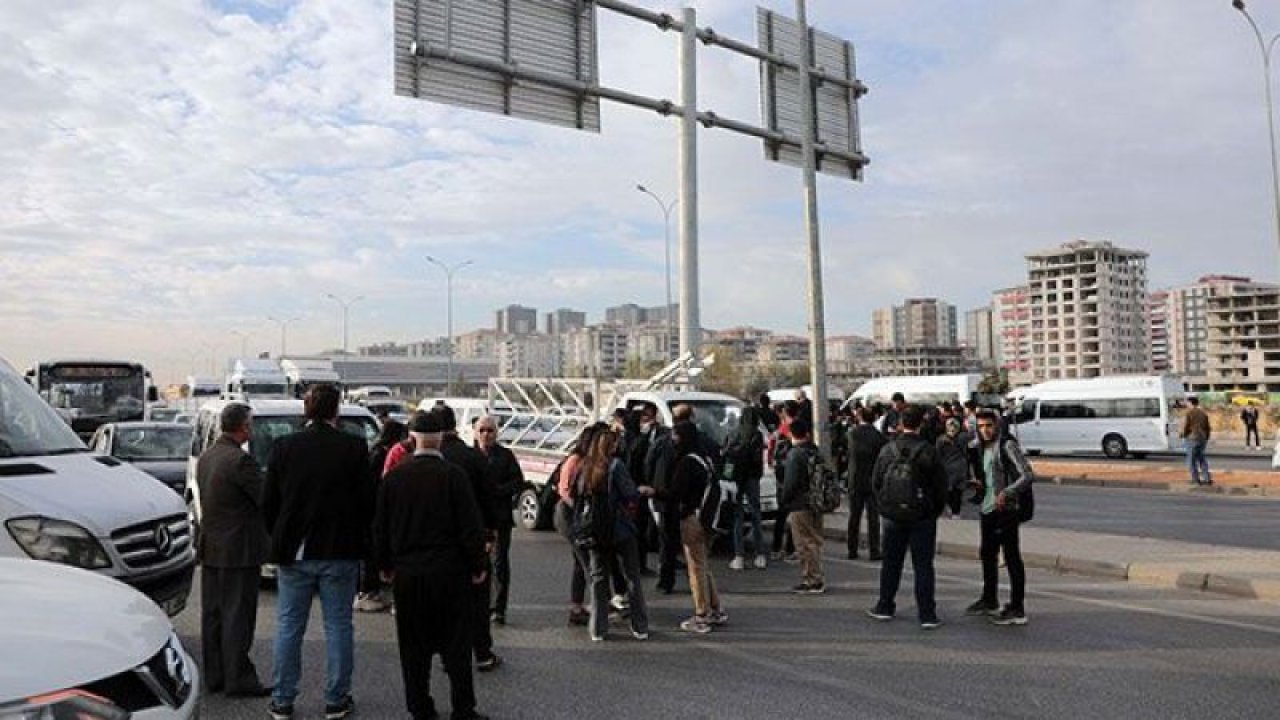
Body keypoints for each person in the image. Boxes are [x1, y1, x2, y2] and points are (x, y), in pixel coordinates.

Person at [264, 384, 372, 720]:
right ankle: (336, 700)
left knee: (289, 626)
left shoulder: (284, 446)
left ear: (305, 410)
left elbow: (269, 503)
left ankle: (282, 700)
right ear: (335, 410)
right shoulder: (353, 447)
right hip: (340, 550)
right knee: (339, 626)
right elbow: (366, 501)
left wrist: (279, 535)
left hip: (294, 552)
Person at [374, 411, 490, 720]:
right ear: (440, 438)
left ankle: (420, 706)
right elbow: (470, 527)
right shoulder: (454, 476)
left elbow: (381, 527)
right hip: (450, 573)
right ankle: (463, 708)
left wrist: (384, 565)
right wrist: (478, 564)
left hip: (409, 574)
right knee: (456, 644)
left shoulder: (395, 477)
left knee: (413, 646)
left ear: (412, 439)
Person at [196, 402, 270, 698]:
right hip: (239, 550)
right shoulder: (241, 462)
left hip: (211, 546)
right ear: (243, 427)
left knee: (213, 615)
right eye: (250, 423)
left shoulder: (207, 457)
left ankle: (215, 676)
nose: (252, 428)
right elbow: (264, 499)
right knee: (237, 616)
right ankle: (238, 679)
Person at [433, 404, 504, 673]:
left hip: (438, 543)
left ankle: (447, 654)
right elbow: (489, 499)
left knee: (445, 603)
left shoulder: (428, 458)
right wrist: (490, 533)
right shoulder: (472, 457)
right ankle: (483, 653)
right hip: (473, 539)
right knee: (477, 601)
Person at [867, 404, 949, 630]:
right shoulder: (928, 450)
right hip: (922, 516)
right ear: (921, 423)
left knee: (891, 563)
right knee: (923, 566)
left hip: (893, 516)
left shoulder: (888, 450)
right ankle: (927, 614)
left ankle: (885, 606)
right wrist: (934, 510)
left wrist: (885, 506)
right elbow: (941, 485)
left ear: (901, 424)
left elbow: (876, 482)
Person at [653, 420, 726, 634]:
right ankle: (715, 609)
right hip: (707, 518)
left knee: (695, 567)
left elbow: (676, 494)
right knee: (703, 565)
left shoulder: (686, 463)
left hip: (691, 518)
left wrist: (654, 492)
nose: (673, 440)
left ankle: (701, 614)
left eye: (675, 436)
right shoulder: (704, 459)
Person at [578, 428, 650, 642]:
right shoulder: (616, 466)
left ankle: (598, 628)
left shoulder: (586, 467)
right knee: (632, 577)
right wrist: (641, 492)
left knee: (598, 579)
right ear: (613, 446)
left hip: (595, 530)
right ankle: (639, 626)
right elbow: (630, 494)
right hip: (619, 529)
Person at [966, 409, 1035, 626]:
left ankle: (1017, 607)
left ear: (997, 425)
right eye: (981, 426)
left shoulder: (1006, 445)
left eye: (989, 426)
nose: (985, 430)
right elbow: (984, 474)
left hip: (1006, 510)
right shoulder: (978, 447)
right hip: (987, 509)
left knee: (1012, 556)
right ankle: (989, 598)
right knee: (987, 554)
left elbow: (1028, 474)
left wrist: (1007, 492)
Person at [473, 415, 524, 626]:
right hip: (475, 520)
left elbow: (518, 481)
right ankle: (477, 606)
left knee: (499, 563)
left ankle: (498, 608)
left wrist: (498, 491)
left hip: (499, 519)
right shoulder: (470, 456)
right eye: (482, 430)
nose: (486, 434)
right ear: (475, 433)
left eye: (490, 430)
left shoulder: (505, 455)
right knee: (476, 564)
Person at [356, 419, 407, 614]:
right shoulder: (382, 455)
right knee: (372, 553)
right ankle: (367, 592)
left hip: (372, 511)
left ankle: (370, 591)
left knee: (372, 552)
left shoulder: (375, 452)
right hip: (376, 511)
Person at [558, 422, 607, 626]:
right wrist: (584, 510)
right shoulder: (575, 460)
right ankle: (592, 607)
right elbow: (564, 490)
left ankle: (578, 606)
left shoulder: (591, 461)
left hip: (579, 516)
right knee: (585, 561)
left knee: (580, 562)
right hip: (570, 516)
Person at [779, 417, 824, 594]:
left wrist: (784, 500)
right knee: (815, 541)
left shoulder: (795, 454)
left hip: (799, 504)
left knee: (804, 544)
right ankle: (817, 575)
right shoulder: (815, 451)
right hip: (816, 501)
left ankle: (812, 580)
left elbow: (790, 483)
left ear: (791, 434)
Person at [644, 405, 681, 594]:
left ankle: (666, 579)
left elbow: (648, 464)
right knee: (670, 538)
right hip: (677, 499)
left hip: (662, 496)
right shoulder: (693, 442)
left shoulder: (661, 442)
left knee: (666, 538)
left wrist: (651, 486)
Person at [724, 406, 767, 571]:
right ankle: (760, 554)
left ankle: (739, 556)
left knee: (737, 516)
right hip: (752, 478)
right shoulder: (757, 435)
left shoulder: (734, 432)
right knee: (756, 515)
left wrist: (727, 478)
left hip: (736, 478)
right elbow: (758, 461)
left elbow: (727, 456)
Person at [846, 406, 887, 560]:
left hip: (855, 479)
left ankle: (852, 549)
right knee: (873, 517)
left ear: (859, 417)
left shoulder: (851, 434)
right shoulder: (878, 436)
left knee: (854, 516)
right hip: (872, 480)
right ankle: (874, 550)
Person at [936, 417, 972, 517]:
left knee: (949, 490)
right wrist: (968, 426)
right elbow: (974, 435)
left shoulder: (940, 439)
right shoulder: (963, 437)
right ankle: (956, 512)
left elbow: (938, 455)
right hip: (961, 468)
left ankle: (950, 507)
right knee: (958, 492)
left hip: (947, 468)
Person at [1181, 396, 1213, 487]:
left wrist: (1183, 434)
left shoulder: (1189, 413)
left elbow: (1186, 426)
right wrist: (1207, 437)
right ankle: (1207, 479)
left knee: (1191, 460)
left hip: (1192, 438)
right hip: (1202, 438)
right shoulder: (1203, 413)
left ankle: (1195, 479)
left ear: (1191, 403)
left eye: (1187, 403)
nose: (1186, 404)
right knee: (1202, 458)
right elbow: (1208, 427)